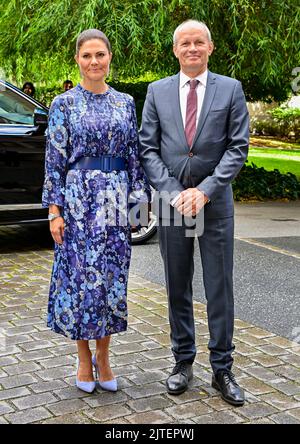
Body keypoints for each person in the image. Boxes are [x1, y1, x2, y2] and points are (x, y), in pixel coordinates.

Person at [139, 20, 249, 406]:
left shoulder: (231, 89)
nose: (191, 48)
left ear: (210, 47)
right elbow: (147, 149)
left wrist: (203, 192)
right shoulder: (157, 91)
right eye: (184, 43)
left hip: (214, 204)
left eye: (198, 42)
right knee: (177, 286)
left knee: (219, 288)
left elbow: (238, 148)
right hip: (172, 205)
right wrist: (172, 194)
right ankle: (182, 362)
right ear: (175, 50)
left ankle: (223, 368)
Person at [42, 29, 149, 394]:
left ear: (110, 57)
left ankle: (105, 356)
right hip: (78, 201)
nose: (94, 62)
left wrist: (140, 201)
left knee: (111, 280)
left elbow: (134, 155)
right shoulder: (63, 104)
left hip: (116, 202)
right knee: (78, 280)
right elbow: (54, 161)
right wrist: (54, 211)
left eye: (100, 55)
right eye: (87, 56)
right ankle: (83, 358)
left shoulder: (125, 102)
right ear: (77, 59)